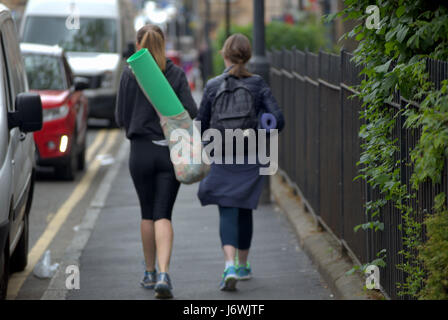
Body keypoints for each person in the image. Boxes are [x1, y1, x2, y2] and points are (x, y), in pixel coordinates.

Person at [196, 34, 285, 291]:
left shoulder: (213, 86)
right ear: (247, 56)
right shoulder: (258, 84)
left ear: (224, 55)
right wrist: (261, 127)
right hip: (252, 156)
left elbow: (201, 123)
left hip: (222, 154)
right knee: (245, 208)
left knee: (227, 209)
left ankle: (229, 265)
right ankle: (244, 266)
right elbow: (278, 120)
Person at [115, 25, 198, 299]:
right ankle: (164, 273)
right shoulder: (174, 74)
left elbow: (120, 117)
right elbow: (191, 111)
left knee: (146, 213)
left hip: (140, 152)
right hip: (167, 152)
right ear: (163, 44)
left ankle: (149, 272)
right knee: (163, 213)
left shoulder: (130, 75)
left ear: (139, 45)